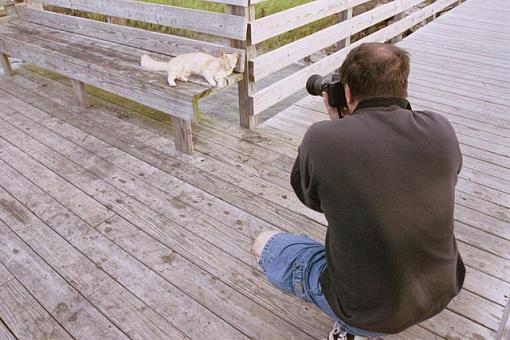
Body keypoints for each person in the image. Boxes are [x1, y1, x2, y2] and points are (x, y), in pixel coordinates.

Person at [252, 42, 465, 340]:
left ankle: (351, 327)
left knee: (265, 244)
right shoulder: (441, 128)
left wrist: (339, 128)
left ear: (347, 92)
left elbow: (309, 197)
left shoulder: (321, 139)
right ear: (402, 87)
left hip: (365, 310)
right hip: (442, 289)